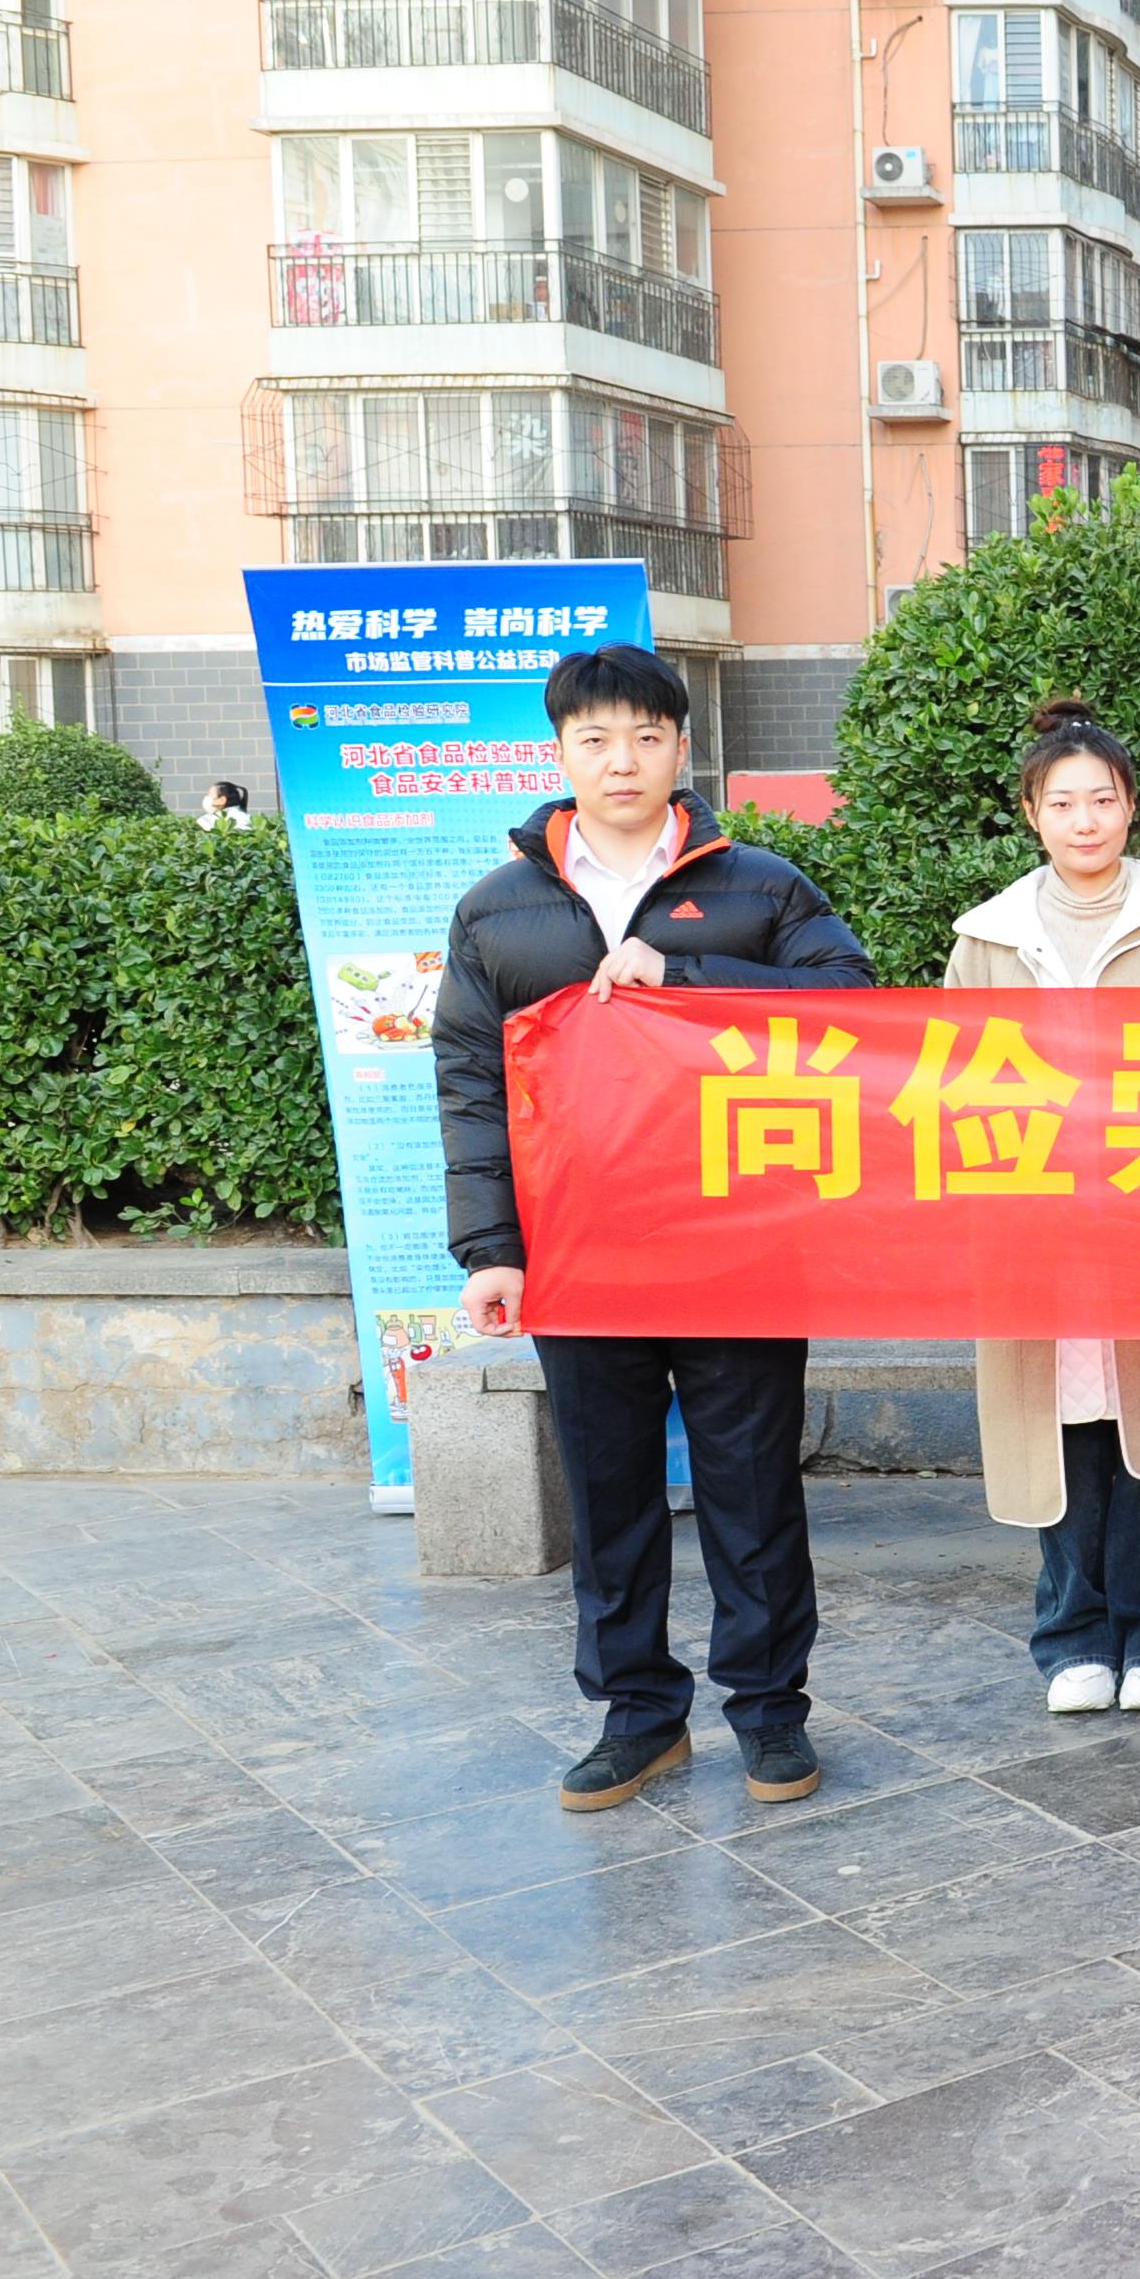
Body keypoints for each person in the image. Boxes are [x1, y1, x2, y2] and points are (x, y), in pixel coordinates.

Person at [435, 644, 870, 1812]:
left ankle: (769, 1712)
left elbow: (851, 1006)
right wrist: (492, 1249)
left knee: (751, 1490)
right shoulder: (499, 911)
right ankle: (637, 1717)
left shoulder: (759, 888)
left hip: (738, 1245)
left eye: (643, 736)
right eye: (594, 739)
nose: (619, 759)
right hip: (580, 1254)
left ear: (681, 747)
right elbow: (470, 1086)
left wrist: (687, 969)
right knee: (610, 1494)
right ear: (560, 753)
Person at [942, 702, 1140, 1714]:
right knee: (1061, 1427)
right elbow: (955, 1081)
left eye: (1101, 800)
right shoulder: (987, 937)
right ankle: (1070, 1633)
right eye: (1062, 803)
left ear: (1130, 808)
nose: (1084, 820)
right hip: (1035, 1222)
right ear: (1032, 814)